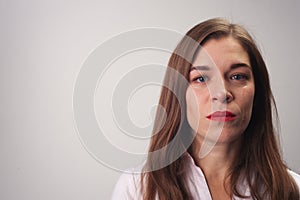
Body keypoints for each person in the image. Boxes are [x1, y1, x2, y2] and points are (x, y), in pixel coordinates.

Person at [112, 18, 300, 200]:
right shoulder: (137, 189)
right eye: (201, 78)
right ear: (179, 95)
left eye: (237, 77)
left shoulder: (292, 190)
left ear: (257, 92)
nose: (222, 93)